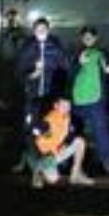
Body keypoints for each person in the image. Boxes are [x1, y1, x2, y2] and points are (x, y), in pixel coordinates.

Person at [14, 18, 69, 167]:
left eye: (44, 29)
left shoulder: (56, 48)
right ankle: (28, 161)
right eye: (38, 29)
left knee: (52, 127)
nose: (41, 32)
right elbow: (18, 72)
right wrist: (33, 74)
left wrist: (62, 95)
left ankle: (57, 162)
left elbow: (64, 70)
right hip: (32, 96)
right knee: (30, 127)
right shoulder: (28, 48)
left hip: (51, 96)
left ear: (48, 30)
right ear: (34, 31)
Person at [71, 25, 109, 174]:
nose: (88, 39)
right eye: (85, 36)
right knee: (73, 133)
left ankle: (108, 162)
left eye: (91, 36)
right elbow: (69, 71)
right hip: (77, 100)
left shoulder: (101, 53)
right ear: (81, 38)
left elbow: (107, 68)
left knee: (101, 130)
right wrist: (78, 62)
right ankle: (67, 163)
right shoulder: (74, 53)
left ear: (95, 38)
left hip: (96, 99)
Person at [29, 96, 95, 188]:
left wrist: (65, 145)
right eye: (63, 105)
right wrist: (39, 130)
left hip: (56, 153)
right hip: (46, 157)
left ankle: (76, 175)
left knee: (80, 142)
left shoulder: (67, 118)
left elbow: (69, 136)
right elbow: (34, 133)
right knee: (53, 179)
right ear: (56, 106)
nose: (67, 108)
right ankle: (37, 171)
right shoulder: (50, 119)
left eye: (68, 105)